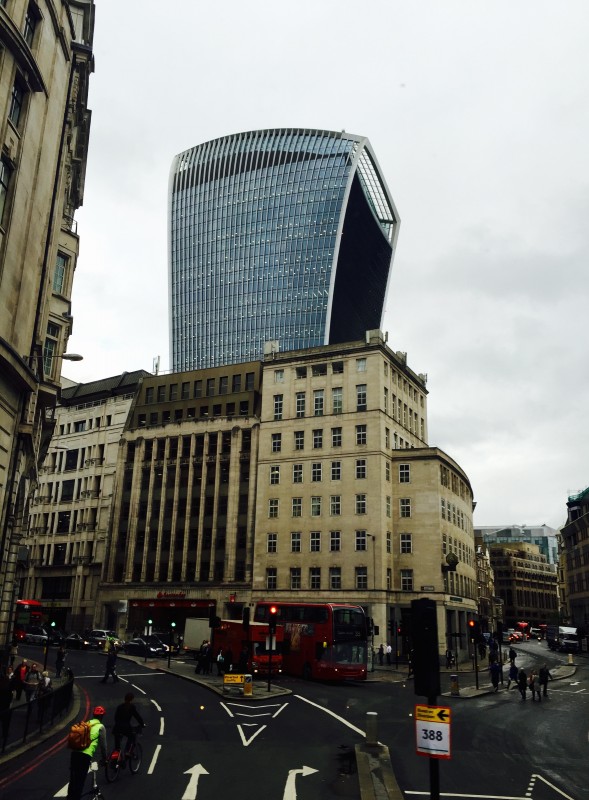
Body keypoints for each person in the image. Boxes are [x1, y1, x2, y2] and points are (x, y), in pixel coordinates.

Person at [67, 705, 107, 800]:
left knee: (73, 779)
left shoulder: (86, 723)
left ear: (93, 715)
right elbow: (103, 746)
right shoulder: (101, 727)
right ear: (102, 717)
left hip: (75, 753)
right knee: (80, 780)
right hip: (85, 756)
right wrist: (105, 759)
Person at [0, 671, 13, 744]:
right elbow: (10, 700)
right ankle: (5, 735)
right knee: (5, 724)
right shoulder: (8, 691)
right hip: (6, 709)